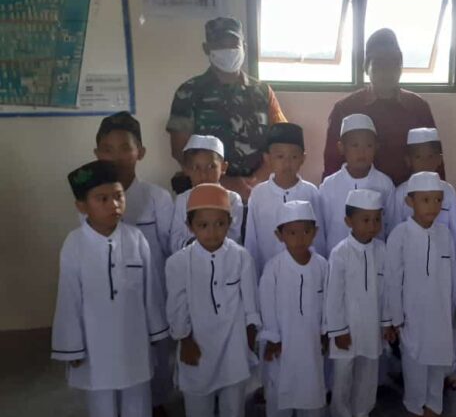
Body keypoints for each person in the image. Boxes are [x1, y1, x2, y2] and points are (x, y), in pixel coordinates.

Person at [52, 160, 168, 417]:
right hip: (95, 347)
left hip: (134, 341)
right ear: (82, 206)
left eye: (118, 196)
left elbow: (151, 292)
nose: (114, 204)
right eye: (102, 199)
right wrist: (72, 345)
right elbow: (69, 299)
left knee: (138, 401)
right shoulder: (74, 244)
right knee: (101, 402)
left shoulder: (136, 239)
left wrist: (156, 333)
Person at [92, 111, 175, 416]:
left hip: (154, 292)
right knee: (114, 355)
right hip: (110, 297)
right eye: (107, 149)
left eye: (125, 148)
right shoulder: (92, 200)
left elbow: (169, 248)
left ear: (140, 152)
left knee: (158, 353)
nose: (116, 156)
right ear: (97, 154)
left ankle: (159, 401)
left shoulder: (158, 198)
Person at [167, 17, 287, 201]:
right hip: (209, 193)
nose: (228, 50)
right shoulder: (188, 92)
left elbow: (282, 141)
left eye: (233, 44)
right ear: (206, 48)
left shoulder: (263, 92)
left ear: (244, 46)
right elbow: (179, 151)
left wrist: (255, 181)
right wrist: (225, 183)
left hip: (260, 192)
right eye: (220, 45)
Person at [165, 183, 260, 417]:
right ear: (190, 226)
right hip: (197, 346)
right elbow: (177, 307)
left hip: (234, 346)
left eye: (220, 224)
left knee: (233, 408)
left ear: (230, 223)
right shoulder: (178, 263)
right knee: (198, 407)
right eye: (203, 225)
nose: (212, 232)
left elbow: (251, 303)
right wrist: (185, 340)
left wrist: (249, 340)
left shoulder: (241, 257)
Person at [323, 28, 444, 186]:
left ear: (401, 67)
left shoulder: (418, 107)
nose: (387, 71)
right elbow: (332, 166)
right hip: (358, 196)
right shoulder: (345, 109)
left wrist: (440, 193)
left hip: (411, 196)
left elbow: (435, 160)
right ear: (366, 67)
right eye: (379, 64)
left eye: (394, 63)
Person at [387, 172, 456, 417]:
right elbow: (393, 280)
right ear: (410, 202)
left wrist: (452, 312)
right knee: (414, 365)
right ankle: (416, 406)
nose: (433, 206)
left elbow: (452, 276)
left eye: (438, 200)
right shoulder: (399, 235)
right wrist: (396, 317)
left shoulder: (445, 234)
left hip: (440, 315)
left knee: (437, 363)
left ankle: (434, 407)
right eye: (426, 200)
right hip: (412, 316)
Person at [327, 189, 396, 417]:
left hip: (371, 327)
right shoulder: (340, 253)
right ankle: (341, 413)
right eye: (365, 220)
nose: (372, 225)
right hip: (346, 329)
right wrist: (338, 330)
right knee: (343, 377)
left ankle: (362, 412)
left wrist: (386, 323)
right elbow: (333, 296)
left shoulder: (382, 250)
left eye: (377, 219)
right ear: (349, 221)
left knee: (368, 375)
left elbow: (387, 291)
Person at [260, 201, 328, 417]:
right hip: (282, 343)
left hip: (311, 342)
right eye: (292, 233)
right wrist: (273, 337)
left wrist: (325, 332)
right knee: (280, 389)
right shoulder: (273, 268)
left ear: (315, 232)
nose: (300, 238)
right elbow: (267, 304)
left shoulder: (322, 265)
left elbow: (329, 301)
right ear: (279, 235)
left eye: (306, 231)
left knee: (312, 387)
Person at [245, 123, 326, 276]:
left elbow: (319, 238)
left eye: (294, 157)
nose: (287, 163)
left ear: (303, 158)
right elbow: (251, 240)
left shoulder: (311, 192)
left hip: (307, 275)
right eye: (280, 156)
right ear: (268, 158)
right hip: (268, 274)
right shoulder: (258, 194)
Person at [320, 114, 395, 256]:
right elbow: (321, 229)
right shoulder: (329, 186)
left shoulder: (385, 184)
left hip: (375, 260)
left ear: (376, 147)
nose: (362, 152)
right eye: (355, 145)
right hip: (337, 260)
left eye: (368, 145)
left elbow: (391, 225)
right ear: (341, 147)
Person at [170, 134, 244, 253]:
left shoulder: (232, 199)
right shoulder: (182, 200)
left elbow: (234, 237)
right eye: (196, 168)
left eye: (211, 167)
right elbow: (175, 241)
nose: (204, 174)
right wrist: (196, 246)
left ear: (223, 167)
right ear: (187, 170)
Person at [391, 128, 456, 245]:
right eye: (418, 157)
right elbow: (395, 230)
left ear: (439, 159)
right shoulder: (400, 192)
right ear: (408, 160)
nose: (425, 162)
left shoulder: (448, 191)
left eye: (430, 156)